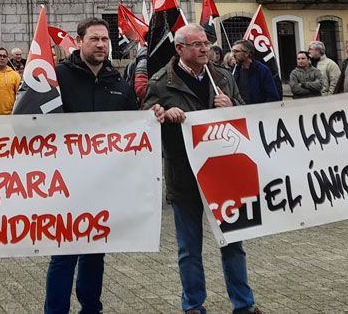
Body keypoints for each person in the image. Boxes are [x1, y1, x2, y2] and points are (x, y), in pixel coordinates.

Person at [143, 24, 260, 314]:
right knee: (189, 249)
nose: (204, 49)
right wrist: (161, 115)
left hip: (223, 176)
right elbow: (145, 124)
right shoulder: (160, 83)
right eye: (196, 44)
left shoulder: (222, 77)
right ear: (180, 49)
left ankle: (243, 305)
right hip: (184, 177)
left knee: (232, 243)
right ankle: (193, 305)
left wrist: (231, 105)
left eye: (205, 43)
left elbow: (245, 116)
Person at [45, 18, 140, 314]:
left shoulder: (119, 82)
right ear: (79, 41)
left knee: (95, 253)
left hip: (103, 184)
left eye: (104, 40)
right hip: (64, 182)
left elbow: (134, 126)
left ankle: (91, 309)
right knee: (63, 255)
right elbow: (30, 124)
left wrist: (153, 117)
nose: (101, 45)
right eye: (94, 39)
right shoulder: (56, 77)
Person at [230, 39, 281, 103]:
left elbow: (273, 97)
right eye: (232, 52)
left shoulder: (263, 71)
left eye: (236, 51)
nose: (232, 55)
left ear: (247, 53)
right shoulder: (234, 71)